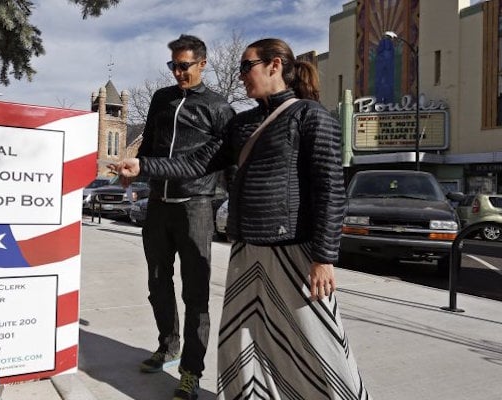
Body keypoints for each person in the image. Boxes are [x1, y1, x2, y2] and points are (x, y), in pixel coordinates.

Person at [112, 38, 370, 400]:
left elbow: (330, 191)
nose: (241, 75)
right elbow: (197, 162)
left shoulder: (311, 117)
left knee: (315, 341)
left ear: (275, 65)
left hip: (292, 252)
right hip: (247, 250)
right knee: (241, 338)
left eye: (246, 66)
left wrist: (324, 257)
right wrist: (143, 165)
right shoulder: (243, 123)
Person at [131, 34, 235, 400]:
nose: (178, 73)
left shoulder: (220, 108)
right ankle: (168, 345)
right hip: (158, 205)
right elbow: (147, 150)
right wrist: (135, 171)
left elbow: (229, 163)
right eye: (173, 66)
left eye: (184, 66)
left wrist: (234, 208)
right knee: (158, 283)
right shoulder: (161, 99)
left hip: (196, 207)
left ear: (202, 64)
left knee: (196, 294)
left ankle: (191, 371)